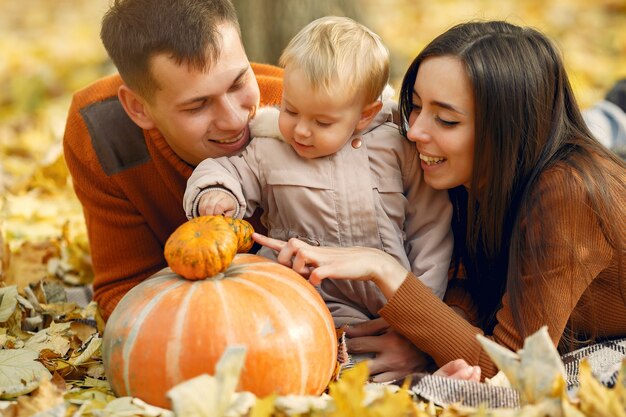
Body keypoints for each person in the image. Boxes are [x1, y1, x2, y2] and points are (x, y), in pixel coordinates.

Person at [254, 20, 626, 380]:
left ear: (508, 131)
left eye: (446, 120)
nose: (414, 131)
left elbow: (511, 369)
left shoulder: (568, 196)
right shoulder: (465, 175)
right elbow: (469, 283)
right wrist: (431, 337)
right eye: (415, 106)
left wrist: (384, 268)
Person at [183, 16, 453, 329]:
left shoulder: (396, 148)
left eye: (322, 123)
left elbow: (430, 231)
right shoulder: (270, 149)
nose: (300, 130)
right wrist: (217, 191)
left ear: (364, 115)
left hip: (391, 299)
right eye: (291, 110)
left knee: (392, 364)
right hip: (303, 294)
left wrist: (424, 311)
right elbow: (227, 169)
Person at [62, 0, 283, 322]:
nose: (234, 120)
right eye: (197, 105)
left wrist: (388, 321)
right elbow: (124, 288)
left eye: (238, 83)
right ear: (138, 108)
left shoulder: (307, 115)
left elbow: (376, 259)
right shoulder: (101, 130)